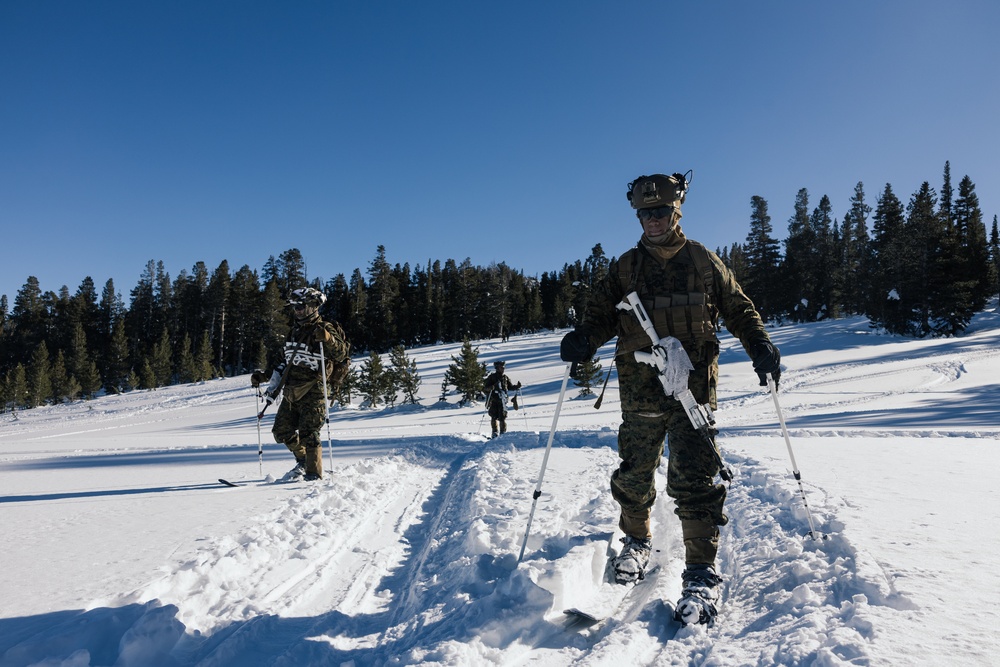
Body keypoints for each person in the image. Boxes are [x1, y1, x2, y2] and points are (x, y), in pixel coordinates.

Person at [559, 172, 781, 626]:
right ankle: (637, 543)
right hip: (639, 389)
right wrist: (584, 338)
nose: (653, 220)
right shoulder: (625, 267)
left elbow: (738, 307)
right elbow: (601, 316)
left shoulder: (702, 260)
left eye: (660, 211)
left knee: (695, 479)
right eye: (645, 213)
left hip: (693, 390)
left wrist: (759, 344)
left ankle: (700, 574)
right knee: (634, 473)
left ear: (676, 210)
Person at [251, 287, 350, 482]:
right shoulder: (294, 332)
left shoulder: (325, 328)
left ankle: (313, 476)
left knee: (309, 433)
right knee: (281, 431)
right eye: (294, 307)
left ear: (313, 306)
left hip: (315, 389)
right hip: (291, 390)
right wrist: (263, 377)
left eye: (301, 306)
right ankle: (304, 460)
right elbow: (283, 360)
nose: (297, 311)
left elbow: (342, 353)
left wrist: (328, 339)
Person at [483, 360, 522, 438]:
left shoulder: (505, 377)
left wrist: (516, 387)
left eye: (503, 367)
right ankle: (494, 432)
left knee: (502, 417)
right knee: (494, 417)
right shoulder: (492, 377)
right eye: (501, 367)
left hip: (502, 401)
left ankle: (503, 433)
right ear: (497, 368)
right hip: (493, 400)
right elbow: (484, 389)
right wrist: (490, 388)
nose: (503, 369)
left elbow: (509, 387)